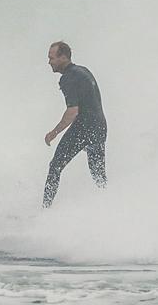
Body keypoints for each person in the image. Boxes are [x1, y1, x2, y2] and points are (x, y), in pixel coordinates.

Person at [42, 40, 107, 208]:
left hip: (83, 127)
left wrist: (54, 133)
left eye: (52, 58)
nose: (49, 62)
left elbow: (72, 111)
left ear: (63, 57)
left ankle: (45, 211)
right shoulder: (83, 71)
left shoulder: (68, 78)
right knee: (98, 175)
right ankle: (109, 207)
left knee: (55, 166)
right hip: (99, 126)